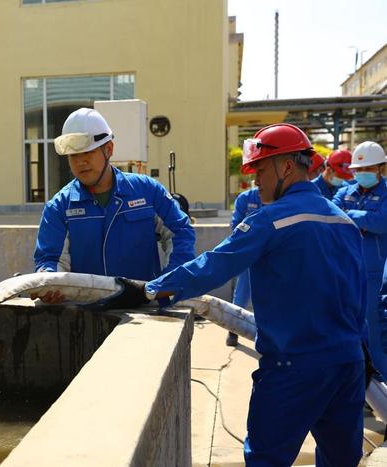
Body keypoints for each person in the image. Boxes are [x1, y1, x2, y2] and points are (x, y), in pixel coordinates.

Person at [143, 123, 366, 466]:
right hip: (348, 365)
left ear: (287, 166)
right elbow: (359, 295)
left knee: (266, 460)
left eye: (260, 169)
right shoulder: (345, 222)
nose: (255, 179)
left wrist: (153, 290)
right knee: (340, 461)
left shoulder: (272, 220)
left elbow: (214, 265)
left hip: (294, 367)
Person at [32, 108, 195, 304]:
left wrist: (169, 280)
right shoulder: (59, 207)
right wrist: (50, 282)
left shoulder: (147, 191)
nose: (80, 162)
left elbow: (180, 232)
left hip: (144, 310)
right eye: (73, 156)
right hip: (86, 314)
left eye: (88, 152)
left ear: (108, 149)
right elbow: (51, 259)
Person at [333, 141, 387, 379]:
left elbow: (382, 222)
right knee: (346, 328)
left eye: (368, 169)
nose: (362, 174)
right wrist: (366, 219)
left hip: (375, 274)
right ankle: (357, 384)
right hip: (344, 271)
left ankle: (380, 386)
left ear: (381, 168)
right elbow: (332, 217)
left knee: (374, 333)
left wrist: (353, 216)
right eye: (358, 170)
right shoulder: (345, 192)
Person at [224, 186, 261, 347]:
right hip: (248, 252)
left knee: (268, 296)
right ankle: (233, 330)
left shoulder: (277, 197)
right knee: (241, 294)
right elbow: (236, 225)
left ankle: (265, 334)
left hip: (270, 254)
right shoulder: (245, 198)